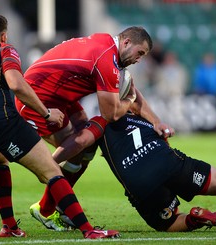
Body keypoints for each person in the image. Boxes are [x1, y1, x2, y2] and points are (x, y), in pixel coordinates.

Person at [0, 13, 119, 239]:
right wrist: (46, 112)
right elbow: (16, 84)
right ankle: (88, 231)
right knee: (52, 173)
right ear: (3, 35)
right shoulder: (5, 50)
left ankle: (9, 227)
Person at [14, 26, 174, 230]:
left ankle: (49, 207)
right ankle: (47, 173)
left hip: (57, 95)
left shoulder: (108, 47)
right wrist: (130, 100)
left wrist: (156, 121)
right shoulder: (106, 59)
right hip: (37, 100)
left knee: (87, 141)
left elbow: (131, 89)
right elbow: (113, 113)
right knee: (92, 132)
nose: (139, 59)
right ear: (126, 43)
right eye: (139, 53)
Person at [49, 113, 216, 232]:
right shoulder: (142, 114)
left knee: (166, 223)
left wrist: (51, 160)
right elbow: (164, 138)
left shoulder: (99, 122)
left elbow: (79, 143)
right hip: (168, 163)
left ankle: (196, 216)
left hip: (139, 183)